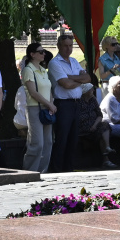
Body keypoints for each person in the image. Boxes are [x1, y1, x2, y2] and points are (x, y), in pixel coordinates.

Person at [48, 34, 90, 173]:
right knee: (62, 137)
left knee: (73, 138)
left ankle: (69, 167)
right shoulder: (55, 63)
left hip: (76, 103)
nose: (68, 48)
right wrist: (79, 79)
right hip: (63, 104)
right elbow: (65, 84)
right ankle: (57, 168)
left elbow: (88, 77)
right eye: (65, 45)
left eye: (70, 45)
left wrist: (72, 77)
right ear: (59, 46)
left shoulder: (74, 61)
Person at [21, 42, 57, 173]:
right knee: (37, 143)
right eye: (41, 52)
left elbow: (49, 89)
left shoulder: (43, 70)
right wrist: (50, 104)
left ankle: (43, 171)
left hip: (47, 108)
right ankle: (30, 172)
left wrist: (51, 104)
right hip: (35, 108)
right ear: (32, 54)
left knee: (48, 142)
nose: (44, 54)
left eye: (44, 52)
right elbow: (33, 92)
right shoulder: (28, 70)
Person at [77, 80, 116, 168]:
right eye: (91, 90)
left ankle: (107, 148)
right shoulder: (79, 101)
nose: (93, 91)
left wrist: (94, 125)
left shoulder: (93, 100)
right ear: (85, 91)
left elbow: (99, 115)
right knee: (102, 133)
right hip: (83, 128)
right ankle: (106, 156)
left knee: (104, 126)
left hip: (94, 126)